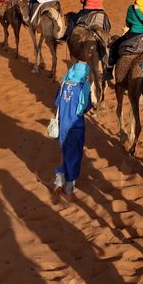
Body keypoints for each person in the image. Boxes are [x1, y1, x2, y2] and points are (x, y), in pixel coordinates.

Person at [51, 61, 92, 203]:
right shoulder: (84, 86)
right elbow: (86, 107)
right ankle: (68, 187)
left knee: (64, 152)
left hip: (63, 125)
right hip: (76, 126)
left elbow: (56, 103)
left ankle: (59, 181)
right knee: (74, 155)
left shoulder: (63, 84)